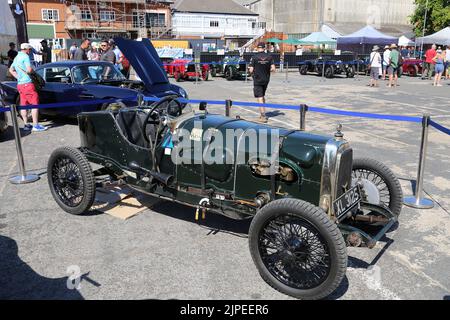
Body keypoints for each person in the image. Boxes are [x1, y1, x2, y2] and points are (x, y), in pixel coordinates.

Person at [9, 43, 47, 132]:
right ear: (26, 49)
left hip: (20, 84)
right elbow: (29, 69)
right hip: (28, 83)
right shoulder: (25, 57)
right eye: (29, 49)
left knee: (23, 104)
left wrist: (18, 77)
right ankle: (36, 125)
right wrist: (32, 73)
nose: (29, 51)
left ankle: (26, 124)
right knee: (35, 104)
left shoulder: (17, 57)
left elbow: (11, 70)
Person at [248, 42, 276, 123]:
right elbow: (273, 69)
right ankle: (263, 112)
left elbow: (251, 70)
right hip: (266, 79)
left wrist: (250, 71)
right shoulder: (269, 57)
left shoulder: (254, 57)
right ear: (264, 48)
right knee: (262, 95)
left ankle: (263, 116)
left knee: (259, 97)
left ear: (257, 48)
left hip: (257, 79)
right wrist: (267, 70)